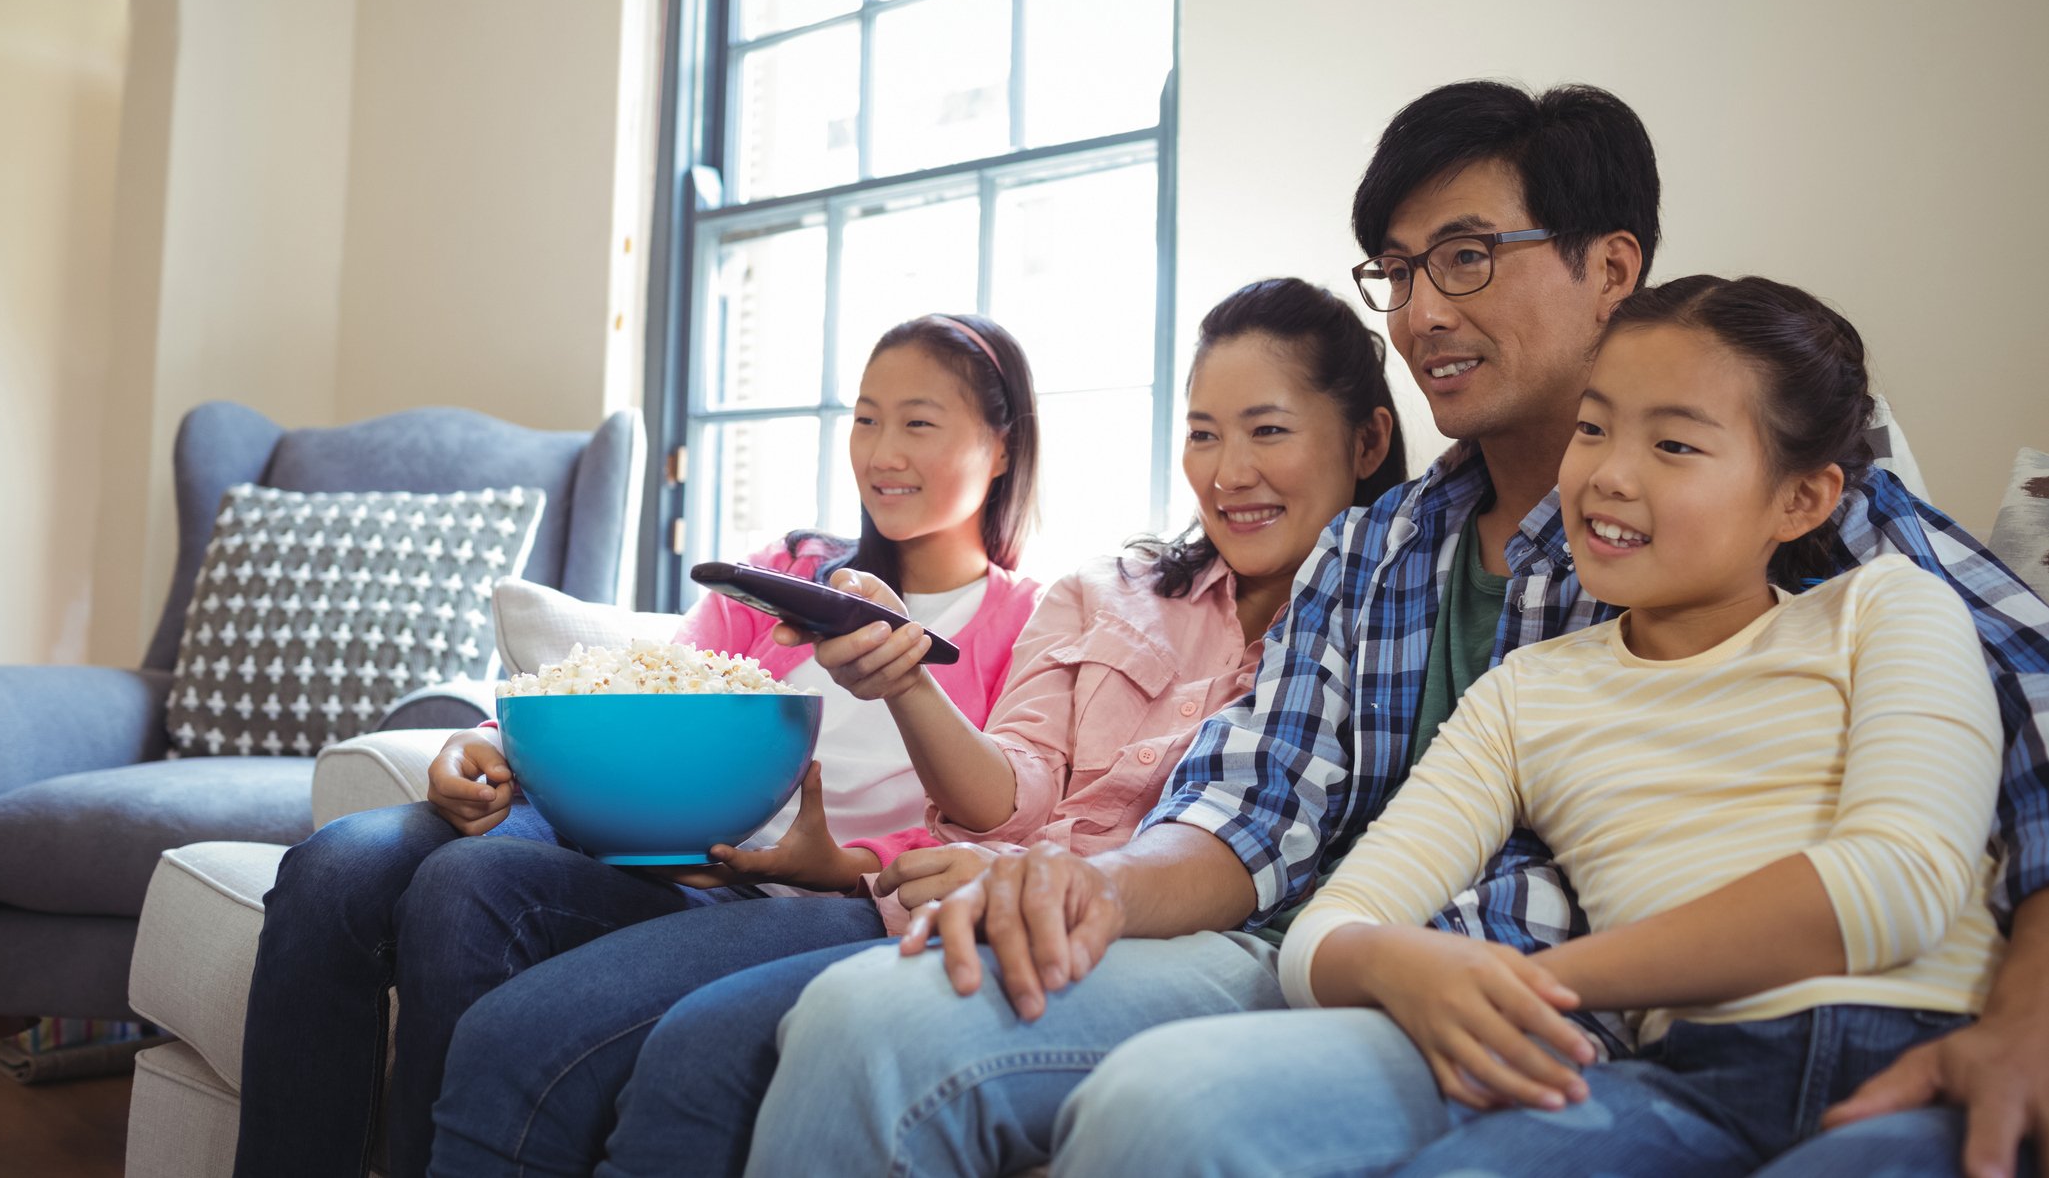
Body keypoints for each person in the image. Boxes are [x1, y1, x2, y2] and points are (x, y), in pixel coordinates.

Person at [735, 81, 2049, 1178]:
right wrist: (1095, 885)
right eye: (1399, 272)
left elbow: (2029, 752)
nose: (1420, 313)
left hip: (1530, 990)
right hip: (1317, 950)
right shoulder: (1375, 545)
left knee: (1178, 1113)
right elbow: (1256, 806)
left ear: (1611, 266)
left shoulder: (1797, 507)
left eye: (1468, 256)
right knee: (865, 1015)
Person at [423, 276, 1407, 1176]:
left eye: (1266, 431)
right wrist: (906, 679)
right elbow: (1007, 796)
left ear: (1365, 440)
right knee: (491, 954)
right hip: (941, 900)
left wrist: (871, 860)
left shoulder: (1386, 618)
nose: (1228, 470)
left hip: (1088, 925)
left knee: (694, 1053)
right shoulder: (1106, 593)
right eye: (1202, 433)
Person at [1059, 275, 2004, 1177]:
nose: (1608, 476)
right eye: (1592, 429)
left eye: (1673, 446)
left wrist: (1551, 981)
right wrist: (1401, 964)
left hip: (1917, 1056)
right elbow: (1333, 927)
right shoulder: (1526, 691)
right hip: (1687, 1079)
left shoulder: (1887, 608)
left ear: (1800, 499)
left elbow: (1897, 880)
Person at [231, 312, 1044, 1178]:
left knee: (468, 882)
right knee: (332, 868)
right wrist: (486, 744)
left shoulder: (1029, 624)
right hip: (621, 827)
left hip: (768, 892)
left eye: (918, 423)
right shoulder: (788, 571)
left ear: (1001, 448)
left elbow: (1000, 822)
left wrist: (848, 862)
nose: (881, 452)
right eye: (865, 417)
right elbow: (647, 684)